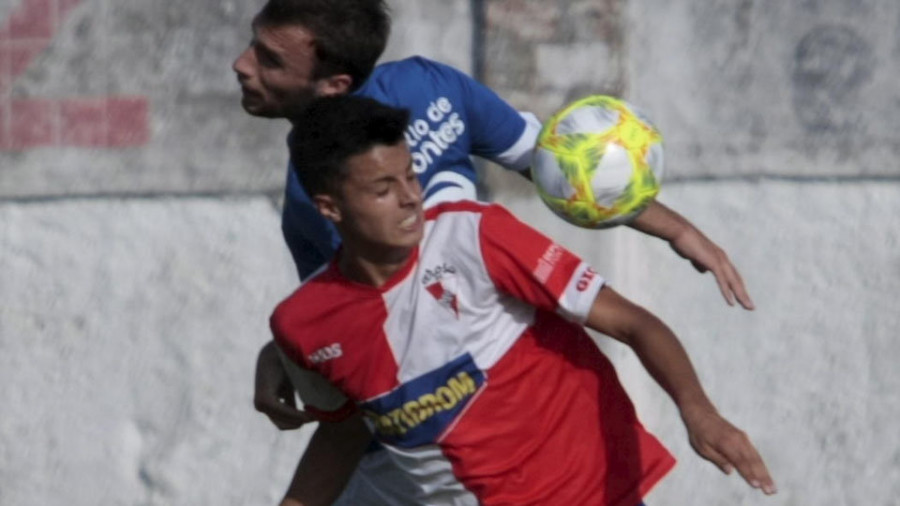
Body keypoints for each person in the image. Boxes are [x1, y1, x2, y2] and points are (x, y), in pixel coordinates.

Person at [232, 0, 757, 502]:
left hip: (515, 383)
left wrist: (675, 229)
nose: (241, 65)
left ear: (334, 85)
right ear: (335, 206)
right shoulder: (426, 84)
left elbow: (554, 164)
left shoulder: (459, 224)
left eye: (269, 58)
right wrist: (286, 351)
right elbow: (349, 324)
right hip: (433, 433)